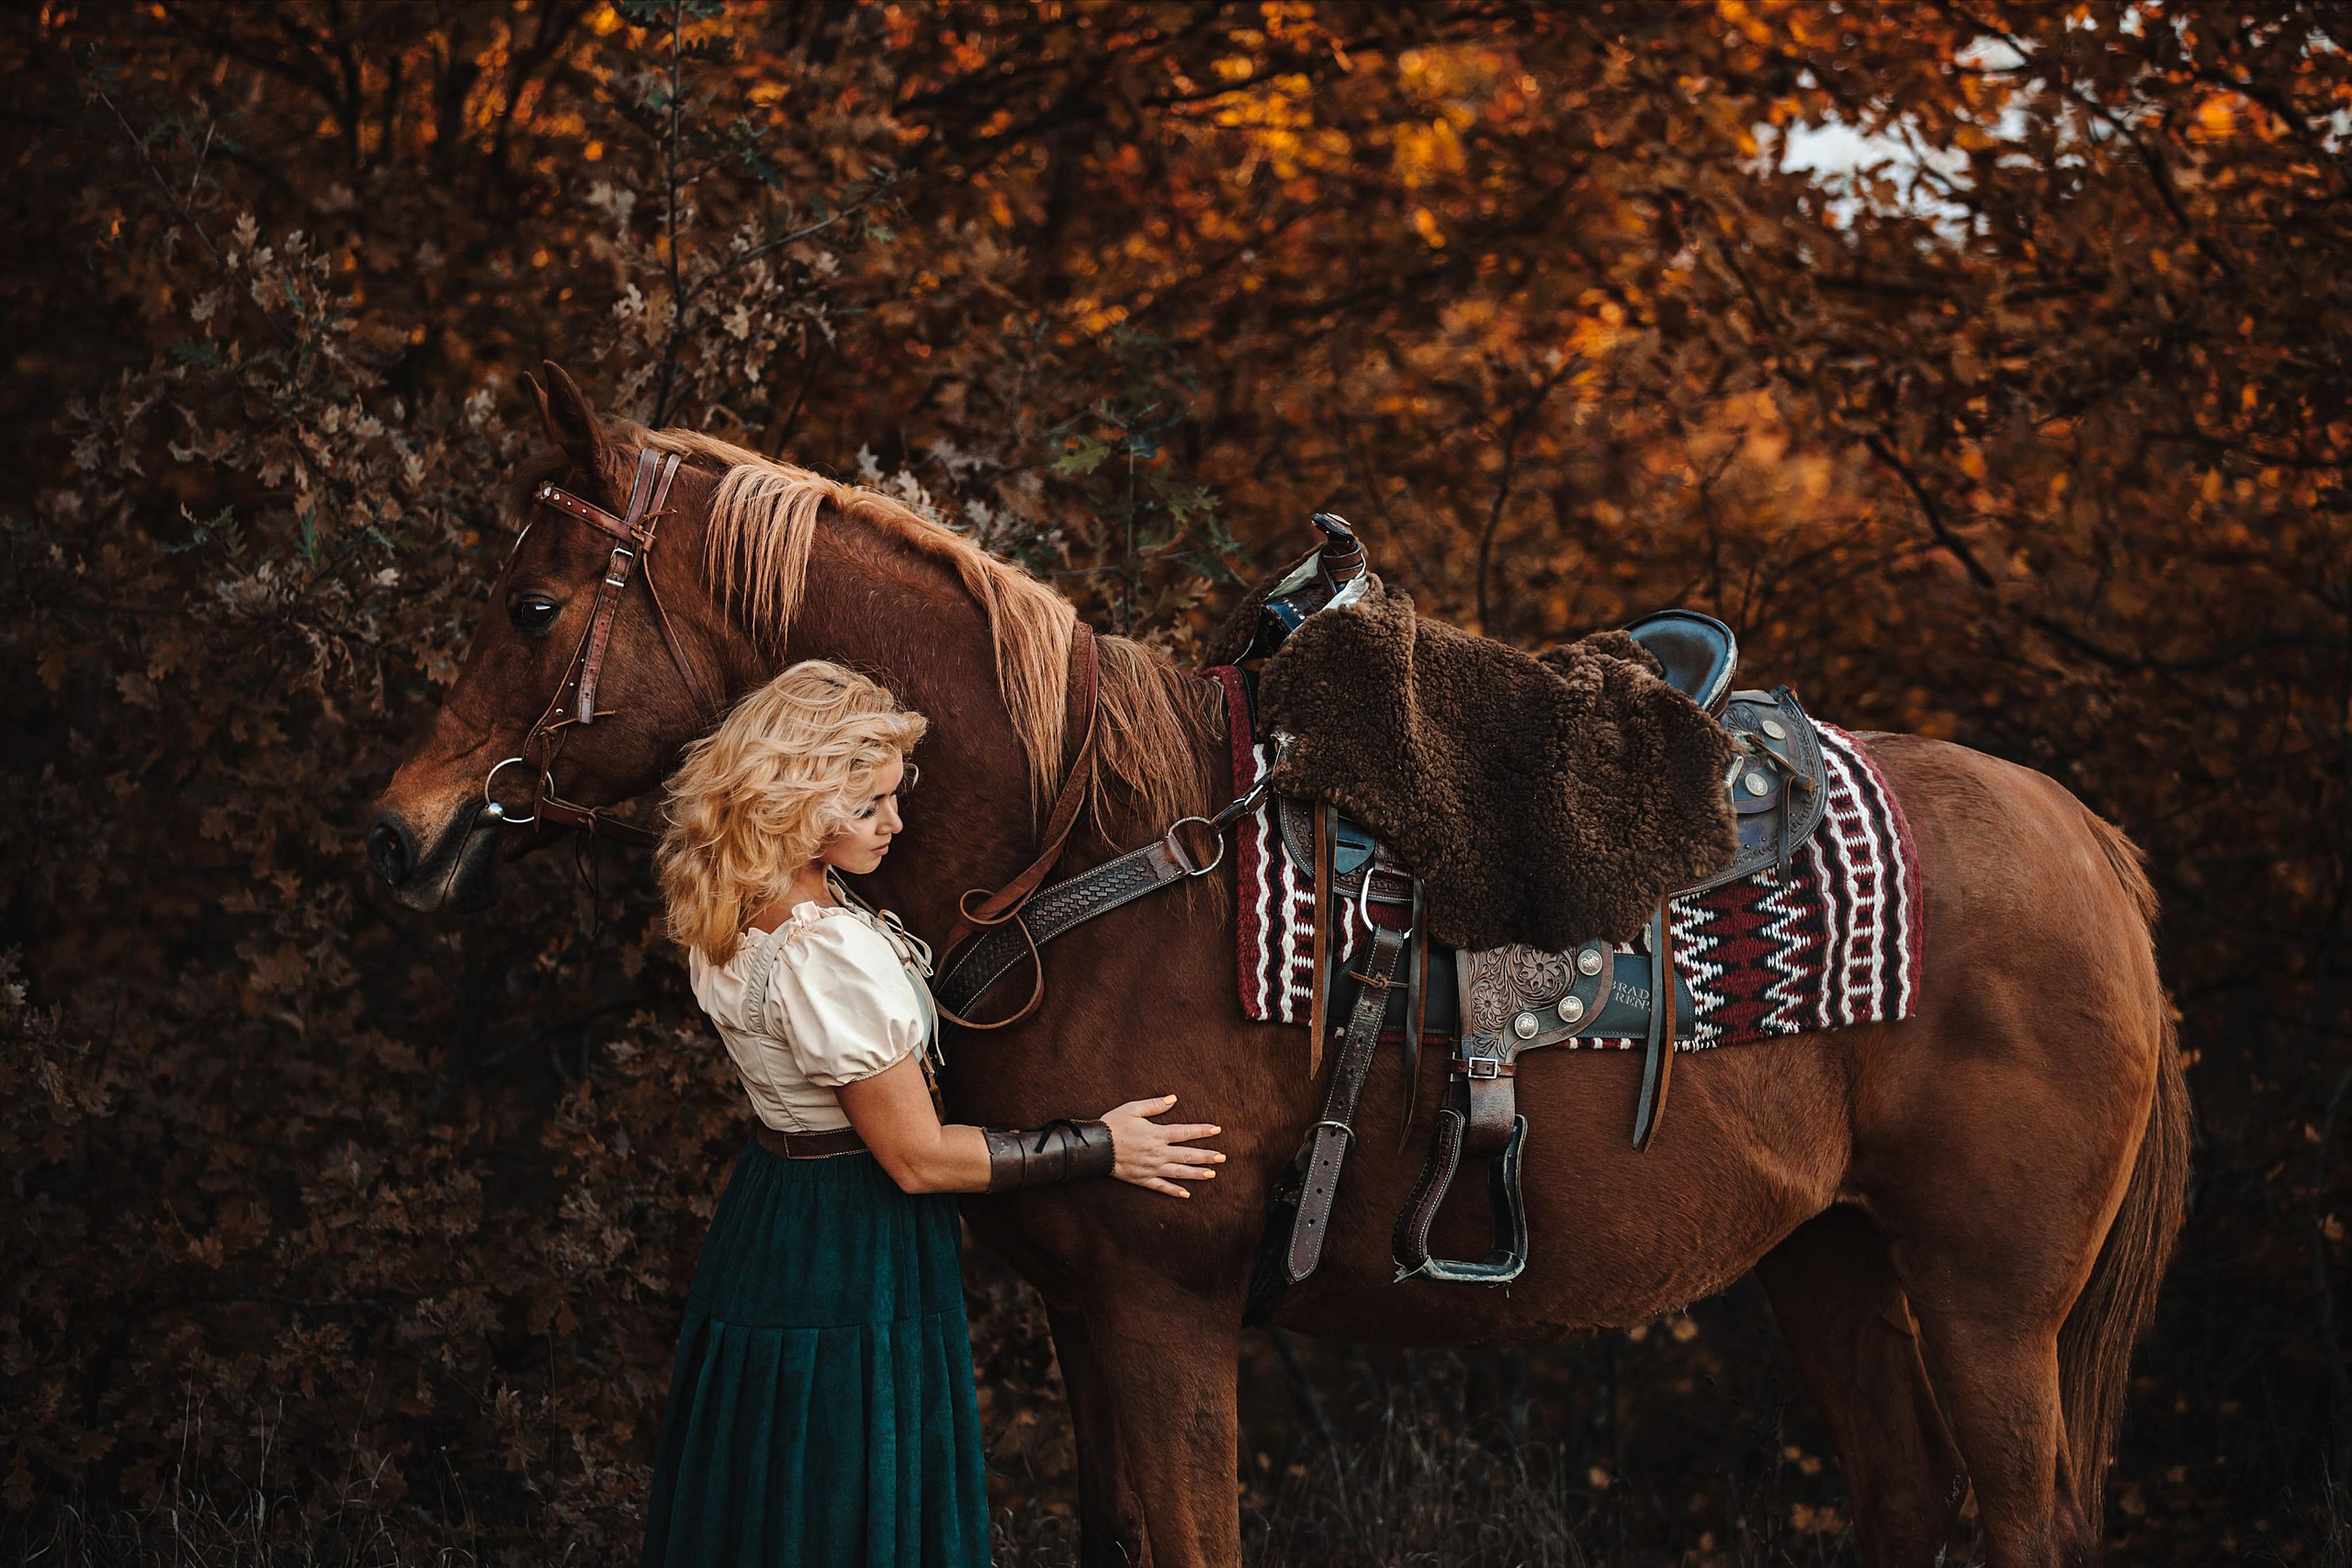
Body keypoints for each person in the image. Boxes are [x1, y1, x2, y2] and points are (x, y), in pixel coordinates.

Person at [642, 659, 1223, 1568]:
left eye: (890, 797)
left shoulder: (729, 903)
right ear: (792, 799)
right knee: (841, 1485)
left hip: (770, 1214)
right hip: (848, 1236)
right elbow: (916, 1159)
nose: (894, 822)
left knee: (776, 1479)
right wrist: (1102, 1146)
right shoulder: (824, 951)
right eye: (868, 804)